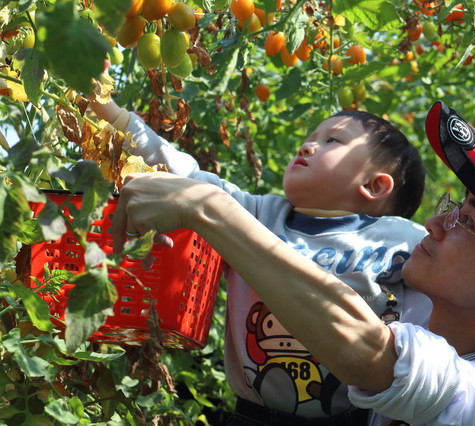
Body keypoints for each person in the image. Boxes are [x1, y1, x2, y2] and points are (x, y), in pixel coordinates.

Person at [111, 100, 475, 425]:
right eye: (453, 208)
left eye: (469, 224)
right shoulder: (419, 301)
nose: (436, 225)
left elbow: (377, 361)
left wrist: (209, 211)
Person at [90, 99, 430, 423]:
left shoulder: (401, 238)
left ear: (374, 185)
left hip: (351, 418)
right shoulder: (258, 215)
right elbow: (182, 173)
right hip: (251, 414)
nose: (307, 146)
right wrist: (112, 113)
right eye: (310, 138)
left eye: (332, 141)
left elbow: (454, 288)